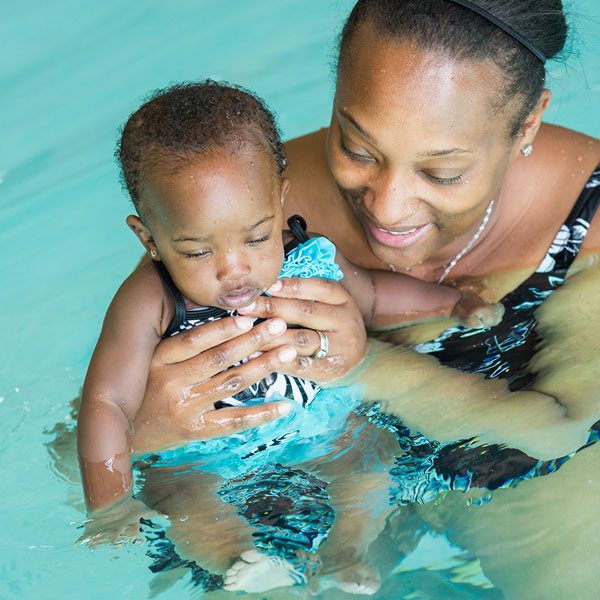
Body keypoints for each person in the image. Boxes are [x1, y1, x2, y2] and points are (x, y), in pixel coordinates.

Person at [118, 1, 600, 596]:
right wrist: (146, 427)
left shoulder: (589, 222)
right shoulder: (238, 205)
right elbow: (85, 438)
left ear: (527, 125)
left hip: (511, 465)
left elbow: (556, 431)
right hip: (308, 467)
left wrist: (365, 362)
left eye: (443, 172)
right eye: (357, 148)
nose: (387, 207)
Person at [77, 80, 503, 593]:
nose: (235, 270)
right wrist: (109, 504)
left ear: (279, 199)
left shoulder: (310, 255)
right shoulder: (151, 297)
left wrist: (452, 303)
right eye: (195, 252)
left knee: (370, 459)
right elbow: (107, 401)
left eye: (256, 237)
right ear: (149, 237)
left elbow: (371, 297)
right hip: (205, 459)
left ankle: (347, 550)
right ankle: (242, 560)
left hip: (320, 430)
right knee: (185, 502)